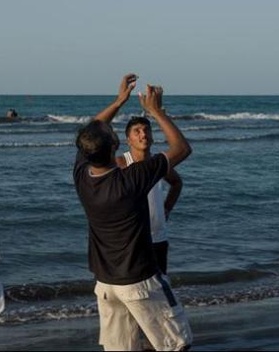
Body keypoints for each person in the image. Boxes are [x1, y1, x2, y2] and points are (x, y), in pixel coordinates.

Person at [73, 74, 193, 351]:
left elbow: (92, 129)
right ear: (117, 145)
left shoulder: (82, 175)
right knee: (177, 344)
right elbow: (182, 148)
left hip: (105, 284)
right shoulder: (131, 179)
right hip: (139, 281)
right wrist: (156, 110)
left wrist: (119, 101)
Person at [117, 116, 183, 276]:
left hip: (158, 238)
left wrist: (167, 208)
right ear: (129, 140)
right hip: (130, 241)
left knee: (160, 287)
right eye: (137, 131)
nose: (143, 134)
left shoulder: (157, 163)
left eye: (147, 130)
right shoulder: (121, 163)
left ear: (152, 137)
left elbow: (176, 183)